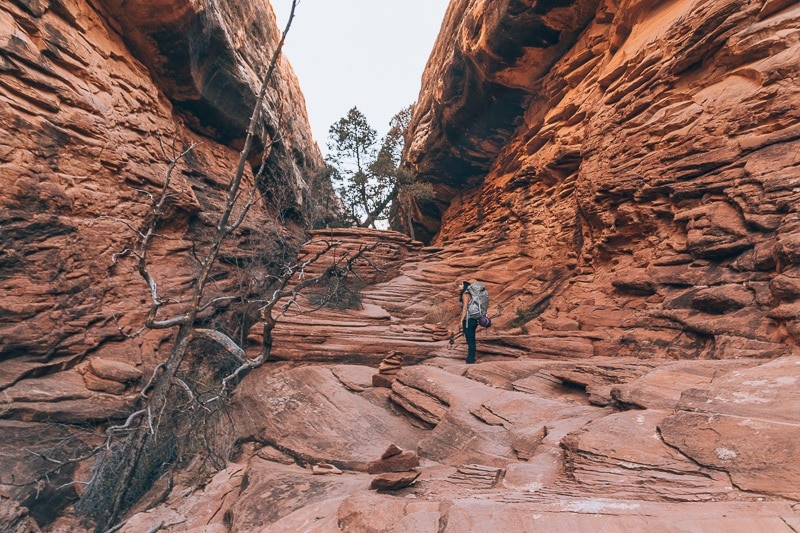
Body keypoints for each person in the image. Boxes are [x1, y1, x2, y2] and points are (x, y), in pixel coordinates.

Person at [458, 280, 478, 364]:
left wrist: (461, 321)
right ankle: (471, 358)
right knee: (471, 340)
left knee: (470, 340)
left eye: (461, 285)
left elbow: (465, 308)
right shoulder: (471, 295)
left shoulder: (465, 295)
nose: (459, 286)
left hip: (468, 321)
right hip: (473, 320)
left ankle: (470, 360)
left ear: (464, 286)